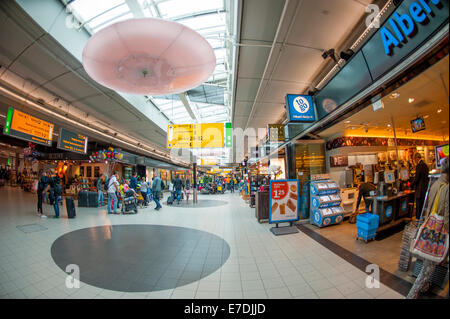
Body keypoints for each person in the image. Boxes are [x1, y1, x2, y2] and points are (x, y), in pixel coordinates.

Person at [407, 157, 449, 299]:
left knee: (427, 265)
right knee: (428, 267)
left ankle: (423, 286)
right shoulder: (447, 188)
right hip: (439, 232)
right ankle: (413, 294)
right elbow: (447, 215)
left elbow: (429, 206)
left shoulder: (436, 183)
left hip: (430, 228)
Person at [413, 153, 429, 220]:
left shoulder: (419, 166)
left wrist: (411, 184)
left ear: (416, 158)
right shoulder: (425, 165)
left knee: (418, 207)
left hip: (420, 191)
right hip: (425, 189)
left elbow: (416, 179)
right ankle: (422, 220)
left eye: (414, 159)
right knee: (423, 207)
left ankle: (418, 221)